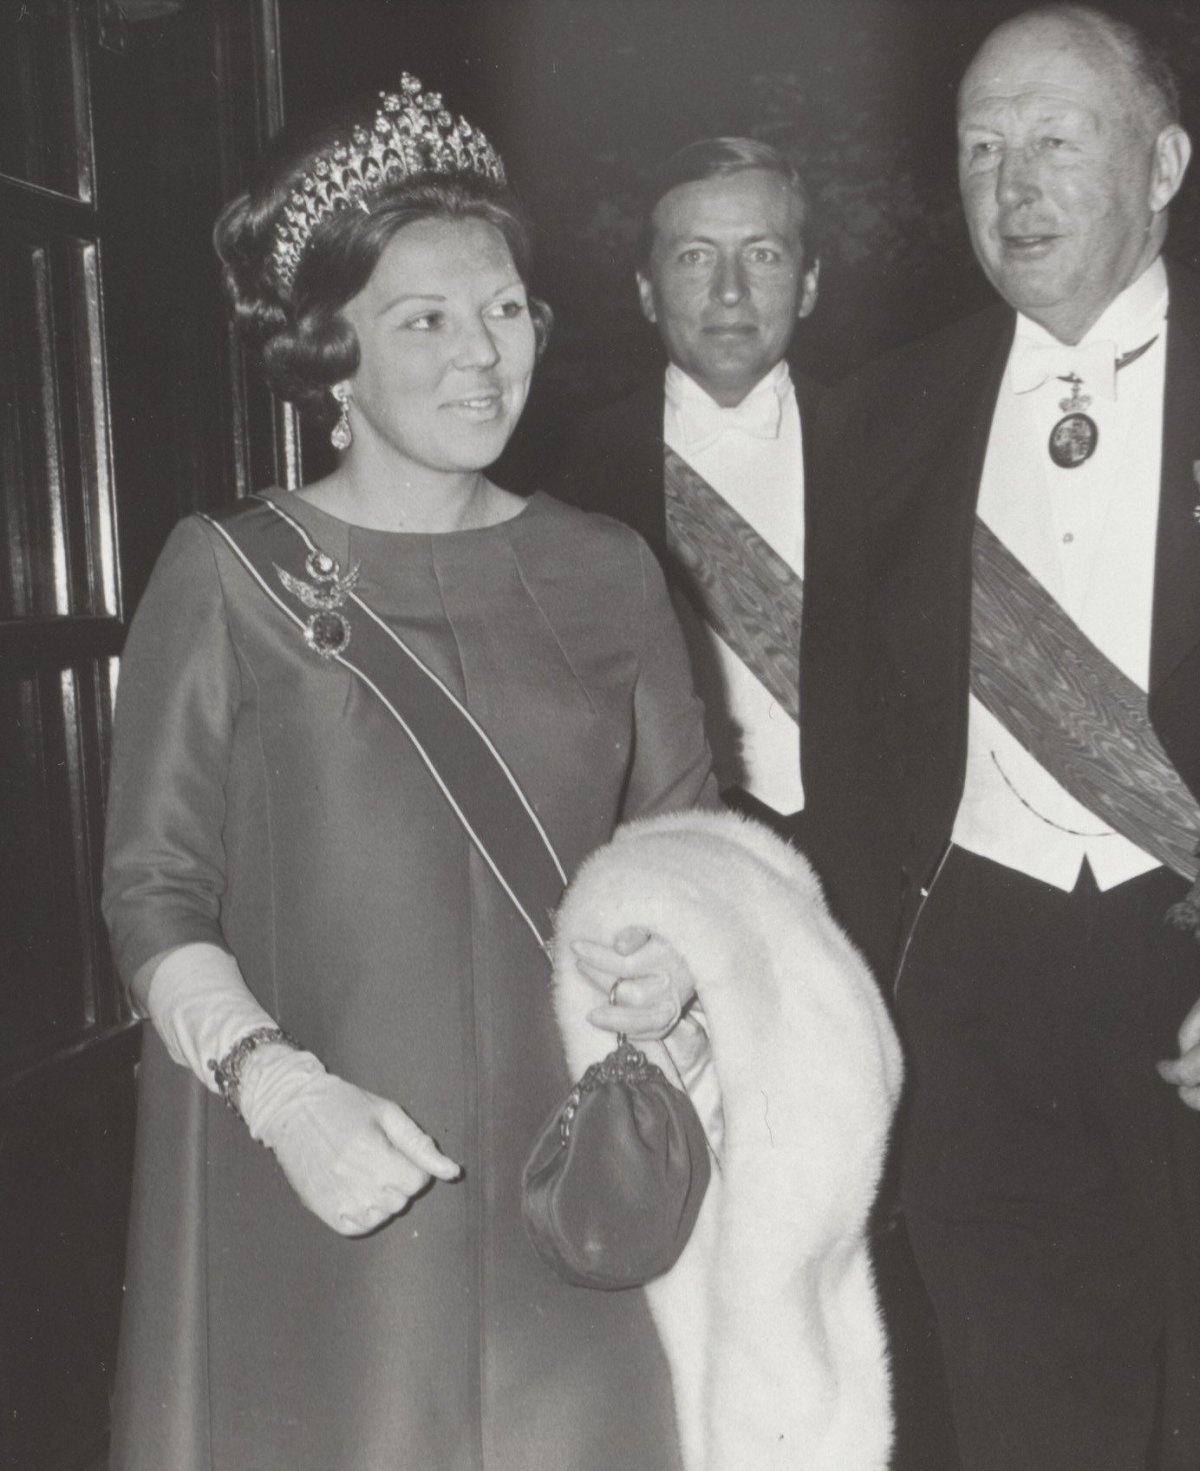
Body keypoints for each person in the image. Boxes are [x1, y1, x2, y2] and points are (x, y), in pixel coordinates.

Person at [101, 74, 719, 1471]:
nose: (483, 356)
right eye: (424, 319)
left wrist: (683, 964)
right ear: (333, 354)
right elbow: (151, 888)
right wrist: (276, 1084)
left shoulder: (611, 568)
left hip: (567, 1186)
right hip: (322, 1172)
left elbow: (695, 850)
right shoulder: (227, 573)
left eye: (504, 310)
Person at [802, 6, 1200, 1468]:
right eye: (979, 148)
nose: (1010, 184)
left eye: (1053, 140)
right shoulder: (881, 414)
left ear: (1163, 163)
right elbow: (852, 756)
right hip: (977, 995)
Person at [556, 138, 821, 842]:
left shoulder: (890, 446)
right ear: (646, 290)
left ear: (810, 282)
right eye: (695, 256)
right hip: (662, 856)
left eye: (762, 254)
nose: (729, 290)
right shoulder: (568, 475)